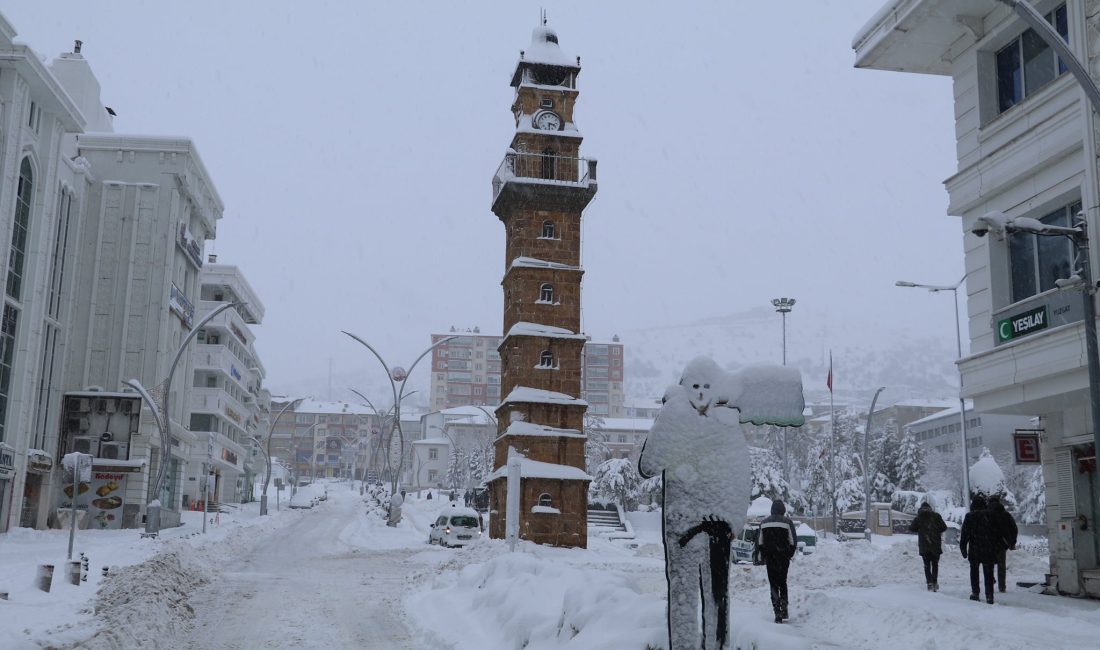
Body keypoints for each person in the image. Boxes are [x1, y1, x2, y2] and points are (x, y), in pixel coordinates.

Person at [757, 499, 798, 623]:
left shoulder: (763, 523)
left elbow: (760, 542)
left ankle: (777, 613)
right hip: (783, 558)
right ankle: (784, 609)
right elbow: (793, 541)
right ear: (783, 510)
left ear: (772, 509)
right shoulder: (787, 522)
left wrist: (765, 555)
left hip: (771, 559)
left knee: (773, 585)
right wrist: (788, 554)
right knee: (783, 583)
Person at [960, 494, 997, 604]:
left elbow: (964, 534)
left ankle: (975, 592)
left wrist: (963, 548)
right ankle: (989, 595)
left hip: (974, 549)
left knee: (974, 571)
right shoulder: (990, 516)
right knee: (988, 572)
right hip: (988, 548)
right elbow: (997, 532)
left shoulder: (969, 516)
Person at [909, 501, 947, 591]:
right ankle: (935, 582)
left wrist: (921, 529)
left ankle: (929, 583)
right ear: (930, 508)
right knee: (935, 565)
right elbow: (944, 527)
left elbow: (911, 528)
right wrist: (936, 530)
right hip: (935, 544)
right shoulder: (936, 516)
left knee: (926, 565)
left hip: (924, 545)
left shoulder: (919, 518)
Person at [988, 495, 1018, 593]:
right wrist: (1012, 542)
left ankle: (990, 580)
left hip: (988, 542)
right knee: (1001, 566)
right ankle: (1002, 587)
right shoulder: (1005, 514)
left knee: (988, 563)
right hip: (1001, 543)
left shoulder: (985, 514)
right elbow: (1014, 528)